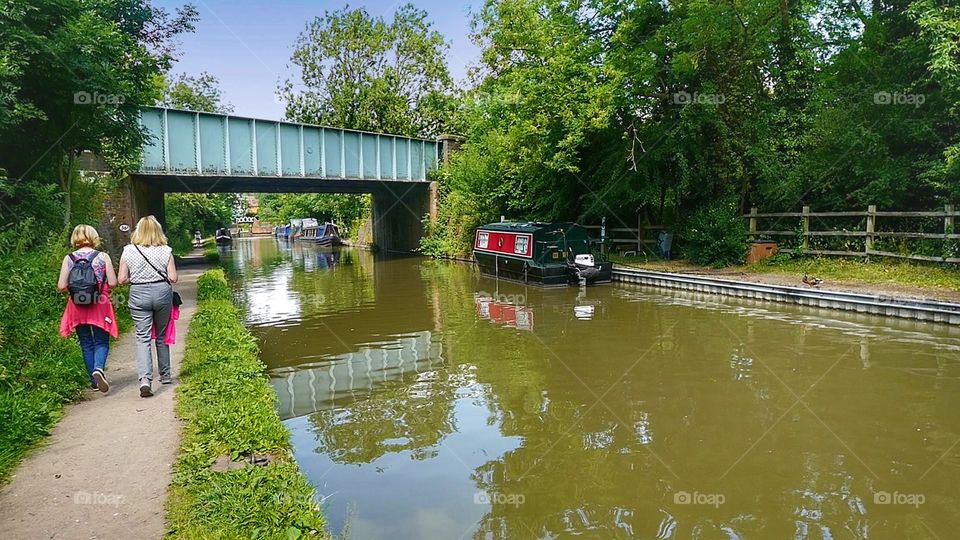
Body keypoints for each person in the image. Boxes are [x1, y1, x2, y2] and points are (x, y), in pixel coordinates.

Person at [118, 216, 178, 398]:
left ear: (138, 231)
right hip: (161, 293)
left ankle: (145, 380)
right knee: (160, 335)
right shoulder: (166, 250)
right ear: (157, 231)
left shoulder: (128, 251)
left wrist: (136, 279)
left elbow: (121, 279)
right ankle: (166, 376)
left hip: (138, 293)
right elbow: (173, 278)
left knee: (143, 338)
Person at [57, 225, 119, 393]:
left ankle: (94, 382)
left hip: (77, 304)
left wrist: (76, 288)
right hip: (100, 303)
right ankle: (98, 368)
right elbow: (113, 283)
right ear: (94, 237)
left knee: (86, 343)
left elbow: (61, 285)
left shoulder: (69, 258)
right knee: (101, 341)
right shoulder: (102, 256)